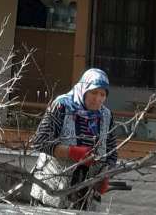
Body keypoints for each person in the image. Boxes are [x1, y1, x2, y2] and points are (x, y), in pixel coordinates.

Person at [30, 68, 117, 210]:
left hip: (85, 197)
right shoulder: (62, 106)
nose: (98, 99)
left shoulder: (106, 116)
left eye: (102, 94)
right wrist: (71, 152)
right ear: (84, 89)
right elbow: (40, 141)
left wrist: (105, 175)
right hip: (52, 191)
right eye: (93, 92)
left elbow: (112, 153)